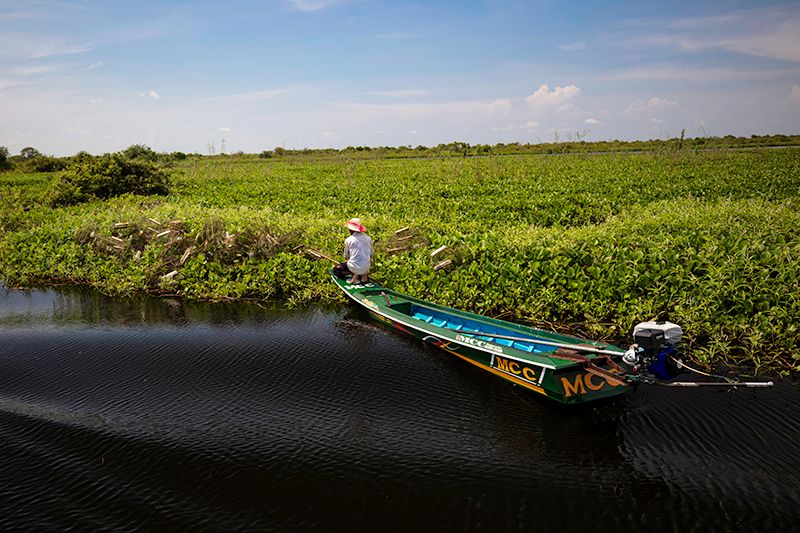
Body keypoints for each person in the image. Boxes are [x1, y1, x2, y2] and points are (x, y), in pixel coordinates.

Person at [334, 217, 373, 284]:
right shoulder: (368, 238)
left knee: (336, 269)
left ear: (351, 230)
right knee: (359, 264)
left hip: (354, 267)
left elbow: (346, 257)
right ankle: (361, 275)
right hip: (366, 267)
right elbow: (371, 255)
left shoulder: (349, 240)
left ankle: (354, 274)